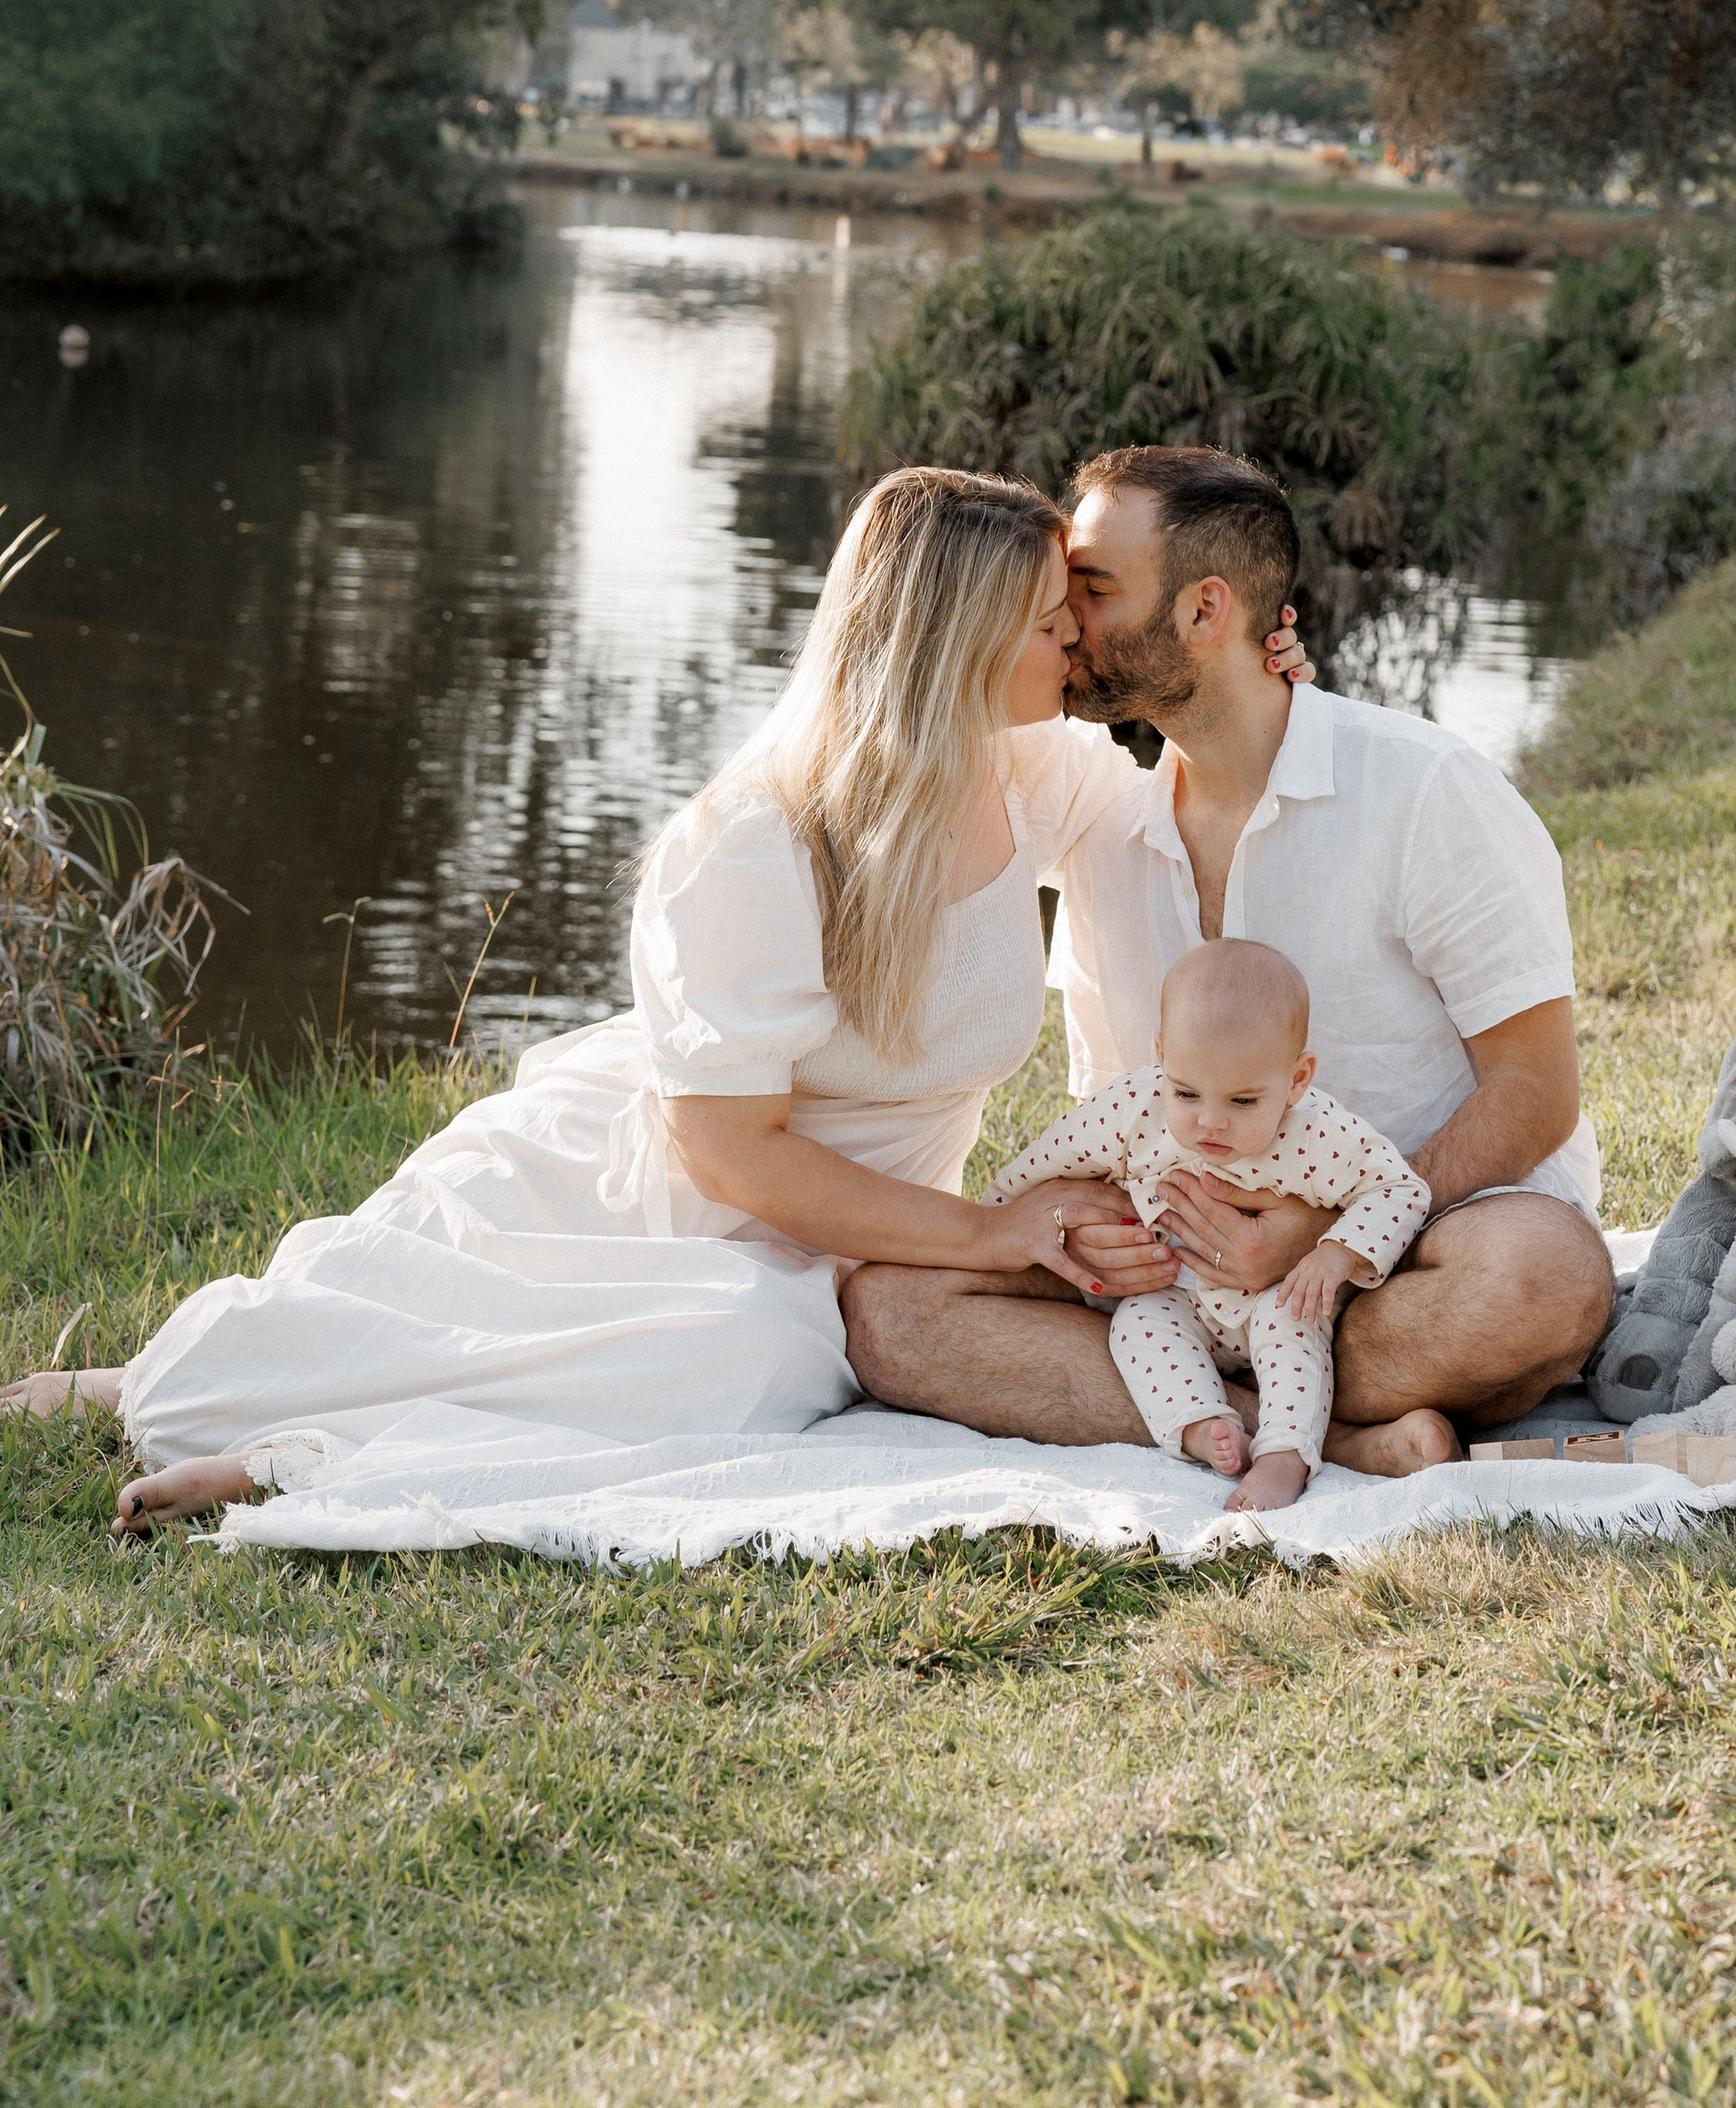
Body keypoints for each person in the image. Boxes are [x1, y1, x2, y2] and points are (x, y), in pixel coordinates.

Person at [3, 469, 1307, 1529]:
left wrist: (1259, 676)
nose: (1075, 637)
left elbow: (1204, 799)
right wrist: (989, 1235)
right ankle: (280, 1440)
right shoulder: (757, 838)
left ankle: (294, 1427)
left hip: (852, 1232)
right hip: (674, 1200)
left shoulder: (1039, 781)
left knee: (754, 1353)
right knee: (721, 1348)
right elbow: (729, 1154)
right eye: (1044, 619)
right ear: (951, 644)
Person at [845, 446, 1616, 1473]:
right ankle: (1325, 1433)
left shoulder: (1425, 790)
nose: (1065, 621)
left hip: (1414, 1242)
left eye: (1094, 589)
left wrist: (1324, 1237)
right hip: (1185, 1273)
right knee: (890, 1309)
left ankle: (1211, 1399)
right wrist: (1109, 1240)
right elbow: (1118, 1107)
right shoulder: (1104, 830)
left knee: (1544, 1278)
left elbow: (1535, 1093)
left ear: (1207, 613)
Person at [979, 937, 1431, 1511]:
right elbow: (1048, 1158)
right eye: (1187, 1092)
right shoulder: (1135, 1108)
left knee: (1292, 1329)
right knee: (1137, 1325)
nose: (1209, 1122)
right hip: (1175, 1293)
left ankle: (1284, 1458)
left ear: (1296, 1080)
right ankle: (1202, 1426)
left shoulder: (1319, 1133)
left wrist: (1336, 1253)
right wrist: (993, 1219)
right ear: (1162, 1055)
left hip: (1272, 1293)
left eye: (1243, 1101)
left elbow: (1399, 1189)